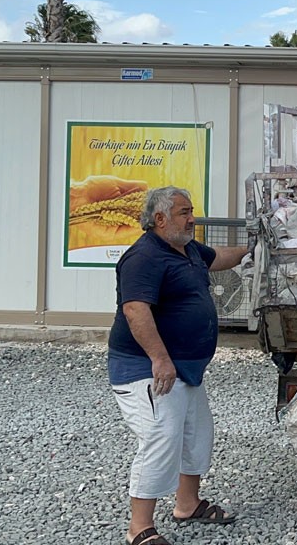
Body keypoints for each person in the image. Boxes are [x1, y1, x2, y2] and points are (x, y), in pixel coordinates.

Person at [107, 186, 249, 545]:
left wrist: (254, 250)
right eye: (184, 212)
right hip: (147, 368)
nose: (192, 218)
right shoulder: (143, 258)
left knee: (196, 435)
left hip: (187, 368)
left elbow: (218, 257)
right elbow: (135, 309)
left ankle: (187, 504)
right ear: (160, 219)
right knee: (161, 436)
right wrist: (160, 358)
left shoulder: (187, 249)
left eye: (191, 211)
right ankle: (139, 528)